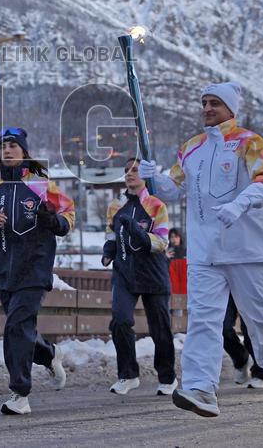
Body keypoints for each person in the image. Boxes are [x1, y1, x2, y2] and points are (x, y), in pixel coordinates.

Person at [140, 81, 263, 417]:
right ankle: (201, 388)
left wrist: (240, 205)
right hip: (204, 250)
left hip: (246, 248)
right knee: (203, 319)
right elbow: (173, 189)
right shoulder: (192, 147)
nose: (208, 108)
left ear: (230, 108)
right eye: (204, 103)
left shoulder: (249, 142)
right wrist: (153, 178)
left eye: (215, 103)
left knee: (259, 317)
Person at [0, 127, 76, 414]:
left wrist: (53, 221)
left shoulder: (41, 184)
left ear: (24, 151)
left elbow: (68, 216)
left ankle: (20, 394)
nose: (7, 149)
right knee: (21, 329)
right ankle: (49, 354)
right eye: (3, 145)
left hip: (35, 268)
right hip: (4, 270)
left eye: (13, 145)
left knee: (15, 326)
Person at [101, 157, 177, 396]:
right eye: (126, 170)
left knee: (160, 329)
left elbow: (161, 242)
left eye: (135, 170)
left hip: (153, 274)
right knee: (120, 320)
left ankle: (167, 377)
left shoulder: (156, 206)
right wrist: (108, 252)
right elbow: (111, 236)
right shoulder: (115, 206)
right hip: (125, 273)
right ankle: (128, 374)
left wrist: (135, 229)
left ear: (145, 176)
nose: (130, 174)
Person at [167, 228, 188, 295]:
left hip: (184, 283)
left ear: (180, 237)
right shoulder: (167, 252)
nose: (174, 239)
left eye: (176, 236)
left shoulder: (186, 252)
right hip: (172, 284)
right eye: (172, 237)